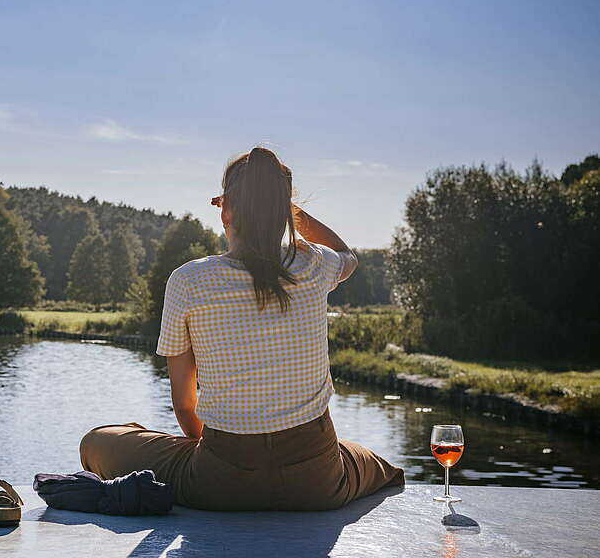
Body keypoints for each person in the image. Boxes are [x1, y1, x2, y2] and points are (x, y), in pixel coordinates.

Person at [79, 147, 405, 511]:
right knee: (378, 465)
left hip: (219, 484)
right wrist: (286, 208)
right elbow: (348, 256)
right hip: (317, 483)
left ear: (226, 210)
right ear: (283, 211)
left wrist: (235, 458)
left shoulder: (189, 281)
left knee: (96, 442)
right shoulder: (313, 263)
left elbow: (185, 407)